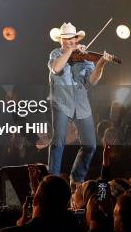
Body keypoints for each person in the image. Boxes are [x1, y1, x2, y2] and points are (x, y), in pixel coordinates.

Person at [47, 22, 114, 185]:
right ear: (61, 40)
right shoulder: (55, 54)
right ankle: (52, 181)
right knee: (58, 141)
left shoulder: (84, 58)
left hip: (81, 105)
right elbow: (56, 69)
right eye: (66, 39)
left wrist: (101, 64)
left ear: (77, 38)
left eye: (73, 38)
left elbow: (93, 80)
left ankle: (76, 177)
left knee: (90, 145)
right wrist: (70, 51)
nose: (70, 41)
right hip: (61, 102)